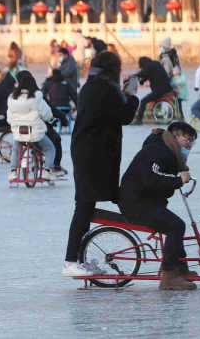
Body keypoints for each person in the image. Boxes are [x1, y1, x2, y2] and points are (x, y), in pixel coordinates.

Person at [63, 51, 139, 277]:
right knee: (84, 206)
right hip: (92, 155)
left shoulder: (93, 86)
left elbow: (110, 111)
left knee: (86, 206)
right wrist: (133, 96)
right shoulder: (105, 89)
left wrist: (123, 94)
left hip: (87, 152)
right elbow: (123, 116)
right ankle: (70, 261)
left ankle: (77, 258)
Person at [118, 121, 197, 290]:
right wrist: (177, 180)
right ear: (174, 136)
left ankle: (180, 268)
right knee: (176, 226)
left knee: (174, 224)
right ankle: (169, 276)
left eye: (192, 141)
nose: (189, 145)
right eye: (187, 139)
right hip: (136, 203)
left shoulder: (167, 151)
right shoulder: (157, 151)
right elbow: (150, 179)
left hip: (145, 201)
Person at [6, 71, 55, 182]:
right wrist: (50, 119)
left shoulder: (12, 98)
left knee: (16, 149)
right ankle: (47, 171)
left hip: (19, 131)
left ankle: (13, 172)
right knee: (49, 148)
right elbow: (47, 114)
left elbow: (9, 117)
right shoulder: (36, 96)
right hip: (35, 131)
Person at [134, 56, 174, 125]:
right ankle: (159, 117)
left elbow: (142, 73)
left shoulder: (150, 65)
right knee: (154, 100)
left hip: (161, 89)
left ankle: (139, 120)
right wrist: (142, 80)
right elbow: (148, 74)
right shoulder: (154, 64)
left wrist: (133, 76)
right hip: (165, 88)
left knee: (143, 101)